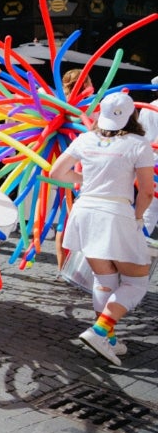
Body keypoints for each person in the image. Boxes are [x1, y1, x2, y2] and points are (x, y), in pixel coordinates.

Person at [49, 91, 153, 366]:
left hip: (85, 211)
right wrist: (139, 217)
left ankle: (109, 337)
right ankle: (98, 330)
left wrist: (84, 179)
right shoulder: (138, 143)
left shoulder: (85, 138)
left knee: (103, 279)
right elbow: (146, 192)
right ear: (133, 115)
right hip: (116, 213)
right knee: (136, 281)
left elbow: (56, 173)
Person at [54, 68, 94, 271]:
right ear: (85, 83)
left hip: (59, 164)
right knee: (85, 219)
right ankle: (82, 270)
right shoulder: (93, 104)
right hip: (87, 167)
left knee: (64, 217)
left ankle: (62, 268)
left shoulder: (56, 105)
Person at [137, 75, 158, 235]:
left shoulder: (147, 107)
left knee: (149, 211)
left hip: (149, 162)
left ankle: (138, 242)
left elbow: (142, 136)